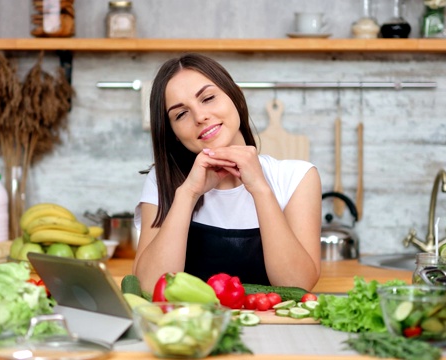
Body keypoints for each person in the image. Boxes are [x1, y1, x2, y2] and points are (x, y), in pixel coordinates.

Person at [133, 53, 322, 293]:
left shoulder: (297, 177)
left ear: (236, 96)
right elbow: (150, 287)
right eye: (181, 114)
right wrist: (188, 193)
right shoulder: (163, 181)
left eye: (208, 98)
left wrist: (260, 189)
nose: (200, 116)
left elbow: (297, 285)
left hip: (274, 330)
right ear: (173, 133)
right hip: (195, 328)